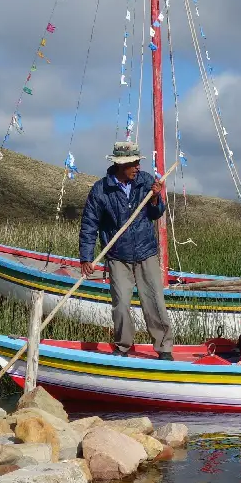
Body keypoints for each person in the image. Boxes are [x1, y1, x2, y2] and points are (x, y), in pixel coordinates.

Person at [79, 141, 174, 360]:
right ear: (121, 165)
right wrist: (86, 257)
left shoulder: (146, 182)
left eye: (138, 163)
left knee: (154, 302)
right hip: (117, 256)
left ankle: (164, 348)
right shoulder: (101, 190)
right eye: (133, 164)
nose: (137, 167)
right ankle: (123, 347)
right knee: (120, 304)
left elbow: (156, 214)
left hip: (145, 252)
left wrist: (155, 198)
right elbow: (89, 224)